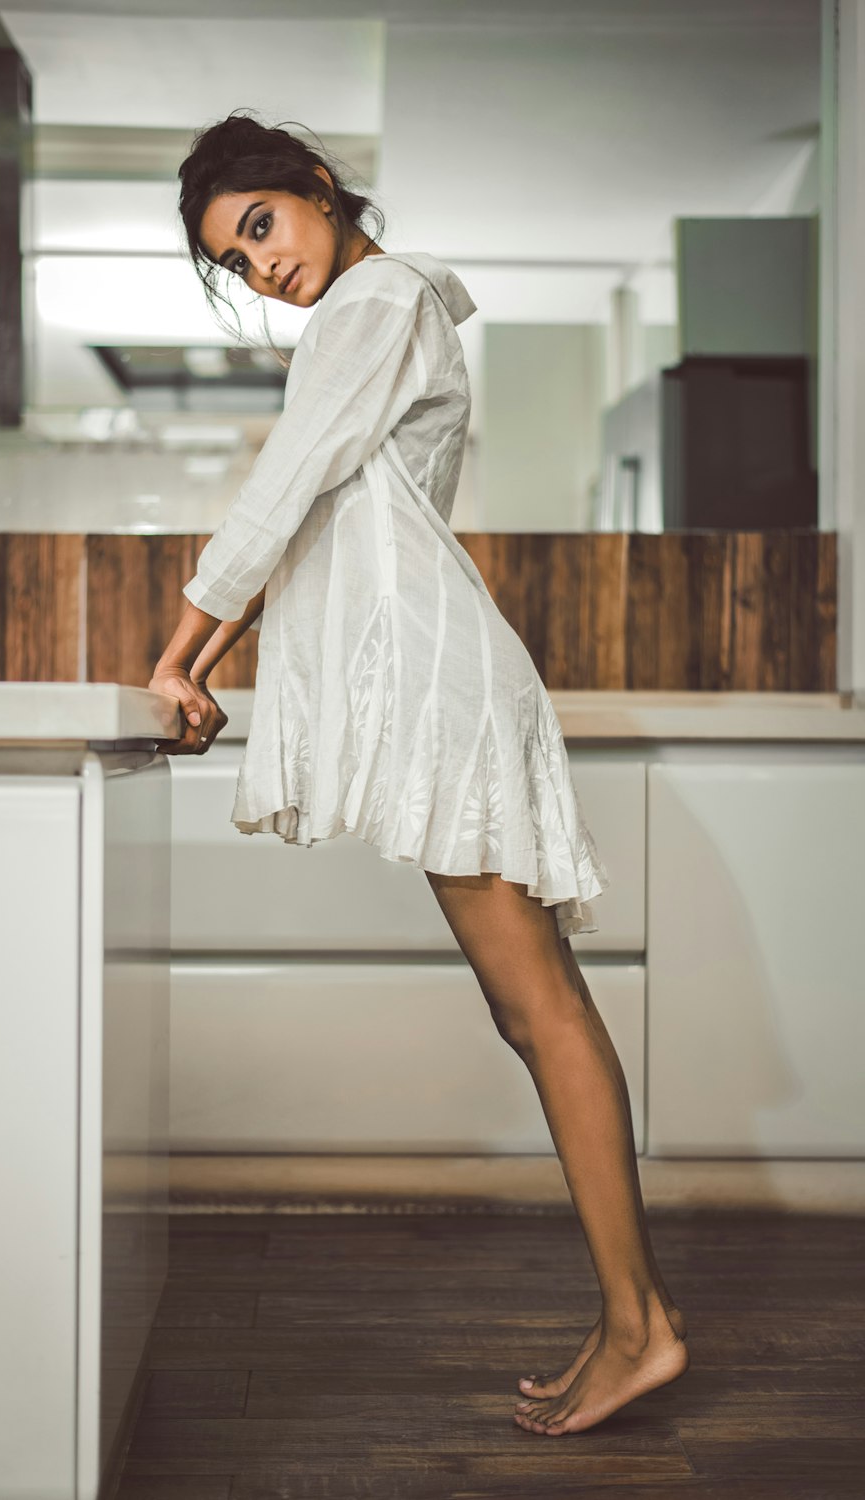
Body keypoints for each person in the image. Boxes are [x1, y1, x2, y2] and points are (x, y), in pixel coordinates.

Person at [148, 110, 689, 1436]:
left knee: (543, 1011)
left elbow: (284, 492)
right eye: (237, 257)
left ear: (318, 190)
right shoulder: (382, 311)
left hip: (445, 692)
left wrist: (177, 648)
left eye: (261, 227)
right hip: (444, 681)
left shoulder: (371, 304)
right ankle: (631, 1326)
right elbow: (329, 526)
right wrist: (206, 655)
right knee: (536, 1010)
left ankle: (641, 1330)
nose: (262, 267)